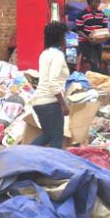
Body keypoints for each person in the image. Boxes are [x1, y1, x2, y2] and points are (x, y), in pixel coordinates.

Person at [30, 21, 70, 149]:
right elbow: (52, 82)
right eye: (64, 37)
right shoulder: (58, 55)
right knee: (57, 136)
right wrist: (63, 104)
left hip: (38, 102)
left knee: (48, 135)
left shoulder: (45, 54)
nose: (65, 40)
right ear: (59, 38)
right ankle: (55, 166)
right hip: (50, 102)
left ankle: (23, 155)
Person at [76, 0, 108, 73]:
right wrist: (88, 38)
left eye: (99, 2)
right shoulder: (82, 14)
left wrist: (106, 36)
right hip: (85, 43)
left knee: (98, 63)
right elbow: (79, 30)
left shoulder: (101, 14)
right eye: (95, 2)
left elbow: (105, 29)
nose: (97, 4)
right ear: (90, 1)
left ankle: (94, 81)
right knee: (93, 64)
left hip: (97, 43)